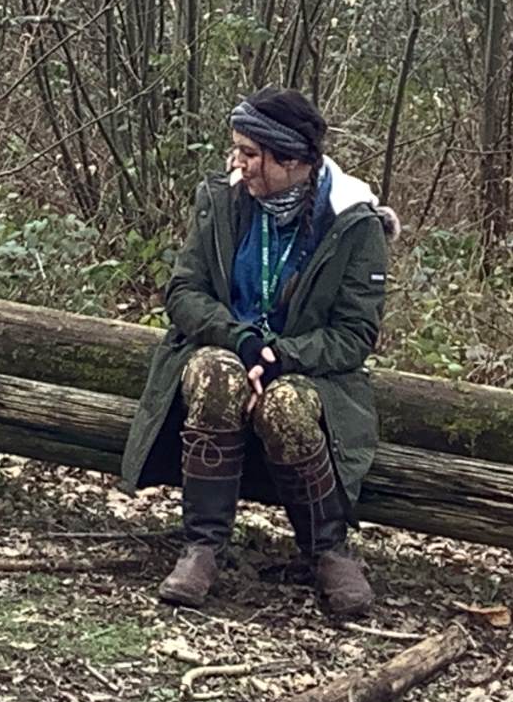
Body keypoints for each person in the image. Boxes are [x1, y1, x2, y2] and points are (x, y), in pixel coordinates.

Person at [121, 88, 396, 617]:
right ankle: (202, 549)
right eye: (236, 150)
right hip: (222, 352)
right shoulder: (222, 200)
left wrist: (279, 357)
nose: (237, 163)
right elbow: (183, 292)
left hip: (310, 374)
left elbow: (355, 334)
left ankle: (328, 551)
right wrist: (242, 342)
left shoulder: (354, 226)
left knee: (285, 404)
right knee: (216, 374)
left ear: (290, 159)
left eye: (249, 153)